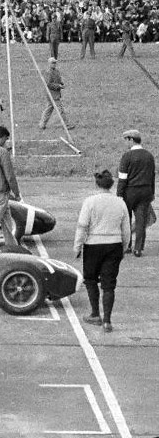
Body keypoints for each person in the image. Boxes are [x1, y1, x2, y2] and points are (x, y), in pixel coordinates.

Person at [74, 170, 130, 333]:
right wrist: (124, 246)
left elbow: (82, 225)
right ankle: (107, 321)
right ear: (111, 185)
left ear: (97, 184)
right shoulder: (120, 202)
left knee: (90, 279)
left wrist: (77, 246)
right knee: (109, 283)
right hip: (114, 245)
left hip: (93, 244)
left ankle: (95, 314)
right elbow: (125, 229)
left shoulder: (90, 202)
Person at [117, 129, 155, 257]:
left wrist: (119, 195)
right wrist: (152, 193)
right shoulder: (149, 155)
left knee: (127, 220)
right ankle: (138, 249)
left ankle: (127, 246)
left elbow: (122, 178)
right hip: (145, 191)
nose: (125, 143)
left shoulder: (127, 156)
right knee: (141, 221)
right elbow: (152, 176)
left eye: (126, 140)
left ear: (131, 140)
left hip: (130, 192)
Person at [38, 57, 73, 130]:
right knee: (60, 110)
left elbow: (58, 79)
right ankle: (66, 125)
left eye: (55, 63)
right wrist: (58, 86)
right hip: (51, 94)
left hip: (55, 93)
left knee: (49, 109)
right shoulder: (48, 72)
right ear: (49, 64)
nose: (54, 64)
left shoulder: (57, 71)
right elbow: (48, 84)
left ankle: (42, 125)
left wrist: (61, 83)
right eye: (53, 63)